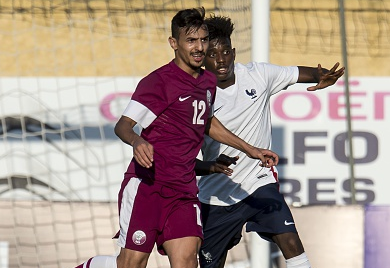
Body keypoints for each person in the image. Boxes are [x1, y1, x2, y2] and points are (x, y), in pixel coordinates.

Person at [75, 7, 278, 268]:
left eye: (203, 40)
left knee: (186, 262)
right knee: (131, 263)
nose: (199, 47)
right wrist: (138, 141)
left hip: (183, 191)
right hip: (147, 186)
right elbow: (123, 126)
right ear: (174, 43)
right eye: (191, 40)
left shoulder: (207, 81)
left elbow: (206, 122)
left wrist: (250, 149)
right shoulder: (158, 82)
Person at [196, 15, 345, 268]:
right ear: (202, 58)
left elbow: (297, 73)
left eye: (224, 53)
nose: (220, 60)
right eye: (212, 54)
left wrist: (321, 76)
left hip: (258, 182)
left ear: (233, 52)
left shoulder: (257, 74)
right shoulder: (197, 93)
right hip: (216, 194)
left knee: (291, 242)